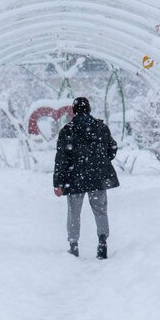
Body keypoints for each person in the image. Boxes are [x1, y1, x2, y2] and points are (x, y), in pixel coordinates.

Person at [53, 97, 119, 259]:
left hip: (75, 177)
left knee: (74, 212)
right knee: (100, 210)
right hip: (98, 177)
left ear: (74, 111)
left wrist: (58, 183)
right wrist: (101, 161)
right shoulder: (101, 127)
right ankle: (102, 241)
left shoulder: (67, 130)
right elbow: (112, 148)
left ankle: (73, 245)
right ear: (89, 109)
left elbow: (61, 159)